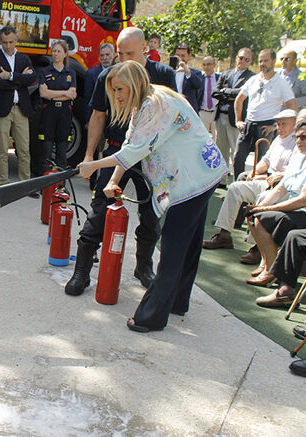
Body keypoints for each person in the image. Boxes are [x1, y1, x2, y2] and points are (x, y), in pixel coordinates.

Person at [78, 60, 227, 332]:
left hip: (194, 180)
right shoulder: (146, 102)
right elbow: (130, 144)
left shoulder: (158, 104)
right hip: (203, 175)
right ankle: (177, 302)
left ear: (134, 83)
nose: (118, 96)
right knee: (188, 243)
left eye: (120, 89)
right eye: (115, 91)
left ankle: (152, 316)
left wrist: (93, 165)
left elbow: (134, 150)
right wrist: (113, 181)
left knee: (173, 244)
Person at [64, 27, 176, 297]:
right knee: (100, 208)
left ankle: (143, 266)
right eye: (120, 53)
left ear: (145, 51)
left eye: (131, 53)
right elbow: (98, 117)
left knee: (151, 213)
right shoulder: (108, 76)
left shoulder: (163, 76)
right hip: (116, 152)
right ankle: (82, 271)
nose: (124, 59)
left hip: (151, 156)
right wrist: (89, 156)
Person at [203, 109, 298, 249]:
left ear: (295, 124)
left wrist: (268, 176)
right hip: (268, 181)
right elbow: (265, 161)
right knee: (235, 188)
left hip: (284, 188)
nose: (280, 127)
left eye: (284, 124)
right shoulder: (278, 139)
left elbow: (294, 171)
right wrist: (254, 172)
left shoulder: (299, 142)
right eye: (278, 124)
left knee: (263, 197)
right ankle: (224, 234)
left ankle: (256, 247)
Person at [245, 120, 306, 300]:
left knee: (264, 218)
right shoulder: (297, 158)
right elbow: (281, 189)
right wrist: (259, 207)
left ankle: (273, 272)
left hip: (303, 212)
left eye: (304, 137)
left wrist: (267, 208)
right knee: (254, 215)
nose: (299, 140)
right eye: (297, 137)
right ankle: (267, 264)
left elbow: (302, 200)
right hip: (295, 209)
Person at [0, 25, 37, 189]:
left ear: (16, 41)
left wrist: (10, 76)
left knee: (24, 149)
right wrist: (20, 80)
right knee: (1, 150)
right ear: (0, 42)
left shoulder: (24, 59)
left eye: (11, 42)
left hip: (21, 108)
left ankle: (25, 184)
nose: (8, 45)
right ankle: (3, 184)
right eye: (5, 42)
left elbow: (33, 79)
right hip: (1, 109)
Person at [233, 49, 297, 180]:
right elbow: (239, 99)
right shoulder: (253, 80)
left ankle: (256, 194)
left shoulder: (281, 83)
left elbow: (293, 106)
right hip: (248, 124)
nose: (262, 64)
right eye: (260, 61)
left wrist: (275, 126)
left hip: (266, 128)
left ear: (273, 61)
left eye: (266, 60)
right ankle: (239, 189)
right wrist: (238, 120)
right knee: (238, 159)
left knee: (261, 164)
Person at [212, 48, 255, 183]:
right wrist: (231, 95)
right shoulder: (225, 74)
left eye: (246, 59)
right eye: (241, 58)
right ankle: (222, 180)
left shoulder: (251, 77)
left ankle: (236, 182)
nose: (242, 61)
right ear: (237, 58)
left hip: (236, 118)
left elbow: (243, 94)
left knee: (235, 153)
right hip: (221, 117)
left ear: (250, 62)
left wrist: (226, 92)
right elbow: (214, 92)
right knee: (221, 150)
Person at [38, 40, 77, 171]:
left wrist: (53, 93)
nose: (56, 54)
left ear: (65, 54)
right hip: (49, 111)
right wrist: (65, 92)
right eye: (54, 51)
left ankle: (60, 185)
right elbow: (43, 93)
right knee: (46, 149)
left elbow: (72, 94)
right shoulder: (44, 72)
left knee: (61, 149)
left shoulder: (70, 73)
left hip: (64, 112)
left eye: (59, 51)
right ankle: (45, 184)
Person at [82, 43, 115, 126]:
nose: (105, 58)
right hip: (97, 120)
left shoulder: (121, 72)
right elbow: (88, 99)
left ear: (113, 54)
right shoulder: (91, 74)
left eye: (107, 54)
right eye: (102, 55)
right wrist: (88, 120)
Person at [173, 44, 203, 112]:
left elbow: (198, 85)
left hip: (188, 110)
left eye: (183, 56)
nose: (180, 58)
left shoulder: (196, 73)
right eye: (177, 55)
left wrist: (187, 72)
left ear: (189, 56)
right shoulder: (169, 71)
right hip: (172, 109)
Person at [199, 56, 219, 138]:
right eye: (204, 65)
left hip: (216, 112)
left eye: (208, 64)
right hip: (203, 112)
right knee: (202, 138)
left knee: (217, 138)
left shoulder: (219, 78)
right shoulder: (200, 78)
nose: (206, 67)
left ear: (214, 65)